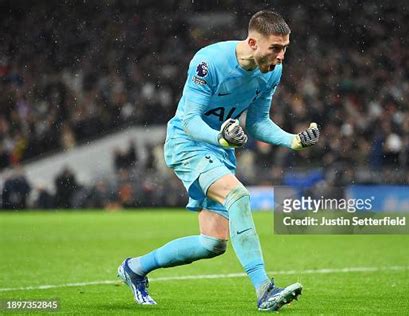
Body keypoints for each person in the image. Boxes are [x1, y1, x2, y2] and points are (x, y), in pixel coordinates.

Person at [118, 10, 320, 311]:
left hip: (219, 149)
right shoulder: (209, 62)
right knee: (238, 195)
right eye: (275, 48)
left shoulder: (271, 72)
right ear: (252, 42)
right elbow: (189, 121)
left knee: (212, 244)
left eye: (285, 49)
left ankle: (134, 268)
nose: (280, 57)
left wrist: (292, 140)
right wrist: (221, 138)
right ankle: (264, 289)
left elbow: (257, 123)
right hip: (188, 144)